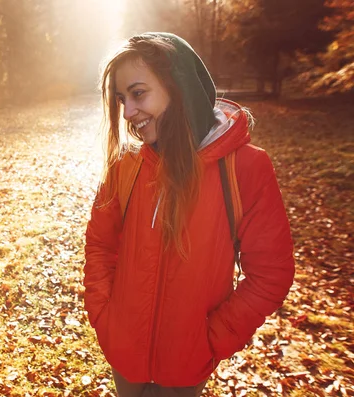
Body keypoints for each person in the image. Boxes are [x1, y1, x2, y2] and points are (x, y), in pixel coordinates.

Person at [83, 32, 295, 397]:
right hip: (124, 354)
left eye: (138, 93)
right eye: (122, 99)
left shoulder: (244, 167)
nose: (128, 112)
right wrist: (105, 316)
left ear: (178, 86)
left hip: (186, 367)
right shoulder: (127, 165)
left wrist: (211, 339)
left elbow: (271, 274)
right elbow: (101, 244)